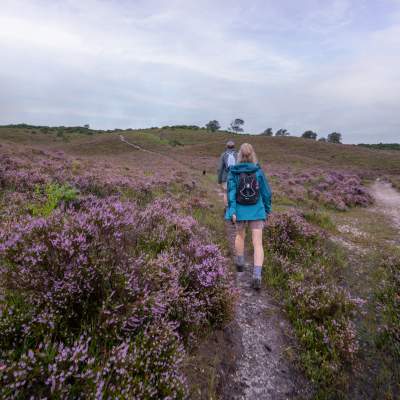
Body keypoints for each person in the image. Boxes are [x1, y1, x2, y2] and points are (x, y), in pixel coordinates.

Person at [224, 143, 272, 290]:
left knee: (240, 236)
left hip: (239, 210)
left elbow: (231, 193)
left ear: (239, 155)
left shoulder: (233, 172)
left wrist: (232, 210)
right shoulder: (258, 172)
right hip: (257, 211)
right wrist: (267, 210)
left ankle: (240, 263)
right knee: (258, 243)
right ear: (252, 154)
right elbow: (266, 193)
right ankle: (257, 275)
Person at [217, 140, 237, 207]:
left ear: (226, 147)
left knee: (225, 193)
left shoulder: (223, 155)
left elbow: (220, 168)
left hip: (225, 178)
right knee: (235, 193)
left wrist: (219, 180)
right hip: (236, 177)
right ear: (234, 147)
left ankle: (227, 208)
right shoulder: (238, 155)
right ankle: (234, 209)